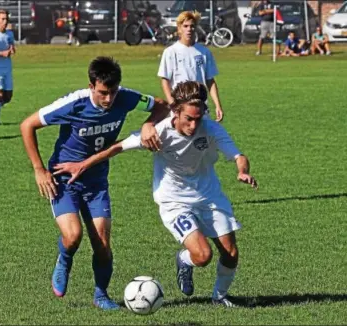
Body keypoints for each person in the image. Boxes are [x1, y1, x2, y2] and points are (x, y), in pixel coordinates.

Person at [53, 81, 258, 308]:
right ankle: (184, 260)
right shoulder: (159, 132)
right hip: (174, 201)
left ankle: (219, 297)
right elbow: (117, 147)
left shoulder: (210, 129)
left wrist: (242, 171)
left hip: (210, 196)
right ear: (175, 112)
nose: (193, 125)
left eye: (198, 118)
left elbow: (239, 156)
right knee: (203, 256)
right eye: (188, 118)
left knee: (230, 253)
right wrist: (82, 165)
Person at [20, 56, 170, 310]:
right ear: (91, 85)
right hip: (63, 179)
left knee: (102, 244)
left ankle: (101, 295)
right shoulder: (74, 103)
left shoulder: (127, 97)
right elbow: (27, 125)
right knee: (73, 236)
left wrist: (147, 124)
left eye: (112, 92)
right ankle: (65, 258)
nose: (109, 99)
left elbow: (162, 105)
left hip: (97, 181)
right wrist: (38, 169)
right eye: (102, 93)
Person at [158, 11, 224, 122]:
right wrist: (172, 103)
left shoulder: (204, 52)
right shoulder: (170, 52)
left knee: (202, 137)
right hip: (180, 107)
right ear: (179, 28)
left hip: (200, 106)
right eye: (185, 26)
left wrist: (218, 105)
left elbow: (210, 81)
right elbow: (165, 81)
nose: (189, 29)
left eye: (192, 26)